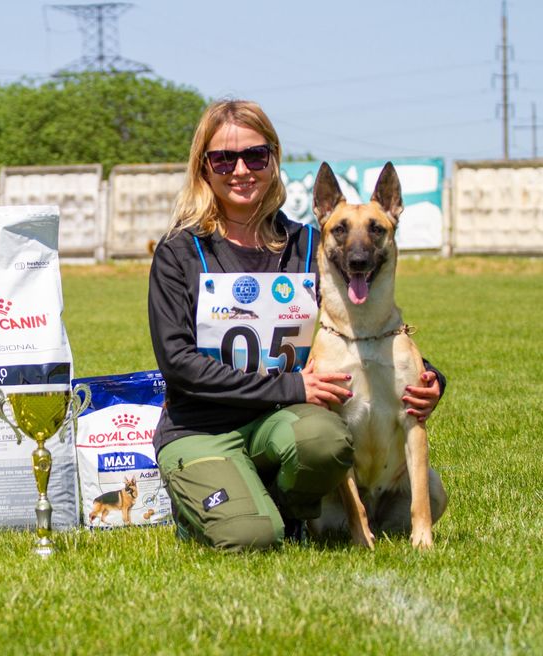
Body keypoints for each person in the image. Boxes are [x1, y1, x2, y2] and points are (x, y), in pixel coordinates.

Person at [148, 99, 444, 551]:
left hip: (282, 425)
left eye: (256, 155)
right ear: (203, 168)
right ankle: (212, 506)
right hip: (203, 428)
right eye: (224, 158)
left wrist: (430, 379)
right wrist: (291, 388)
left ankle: (283, 503)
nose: (241, 169)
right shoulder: (179, 253)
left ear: (273, 160)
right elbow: (180, 365)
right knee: (251, 537)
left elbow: (361, 327)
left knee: (324, 438)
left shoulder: (308, 246)